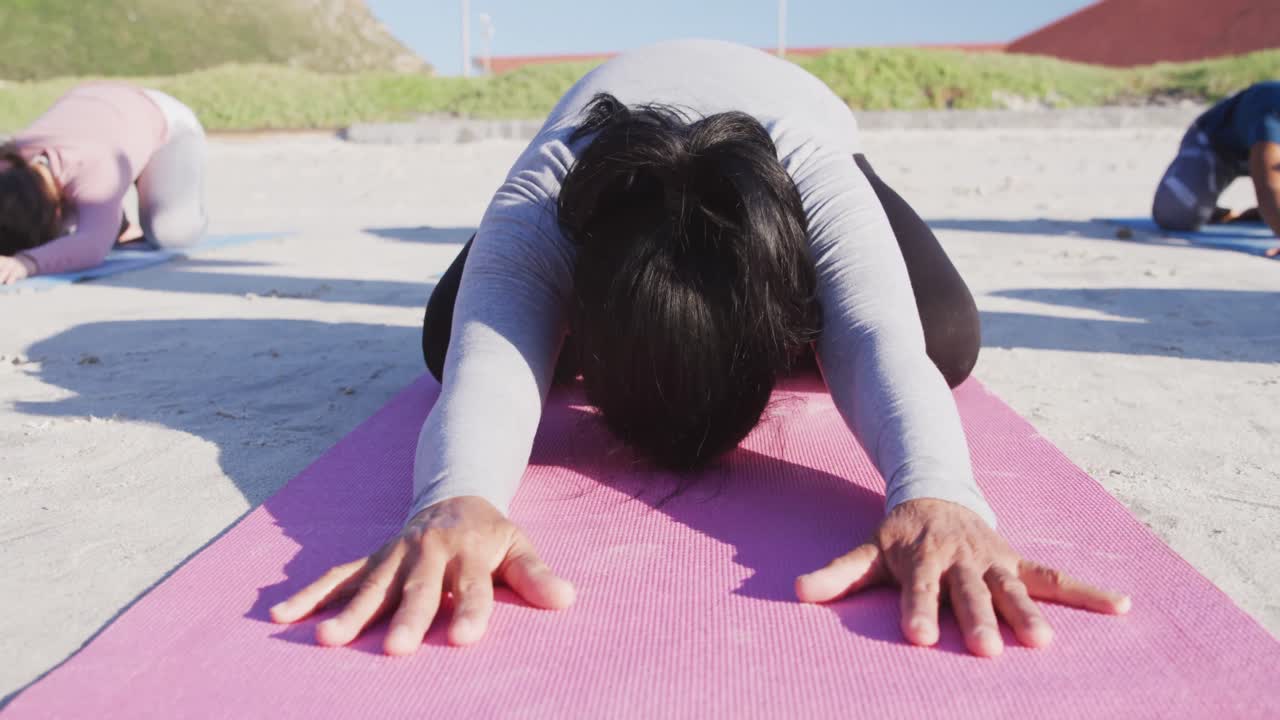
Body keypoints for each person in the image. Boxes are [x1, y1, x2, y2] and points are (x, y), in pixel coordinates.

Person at [271, 39, 1130, 658]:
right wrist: (454, 498)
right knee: (447, 336)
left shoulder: (812, 177)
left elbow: (876, 335)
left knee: (944, 335)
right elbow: (488, 367)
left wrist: (940, 494)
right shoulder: (544, 203)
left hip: (785, 120)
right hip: (610, 130)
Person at [0, 83, 208, 284]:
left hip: (167, 121)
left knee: (170, 232)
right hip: (101, 106)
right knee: (92, 206)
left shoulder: (93, 171)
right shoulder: (10, 159)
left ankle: (120, 211)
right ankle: (113, 219)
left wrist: (26, 262)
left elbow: (93, 245)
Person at [1152, 81, 1280, 256]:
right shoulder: (1272, 111)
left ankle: (1267, 213)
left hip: (1264, 151)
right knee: (1175, 215)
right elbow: (1268, 186)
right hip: (1217, 146)